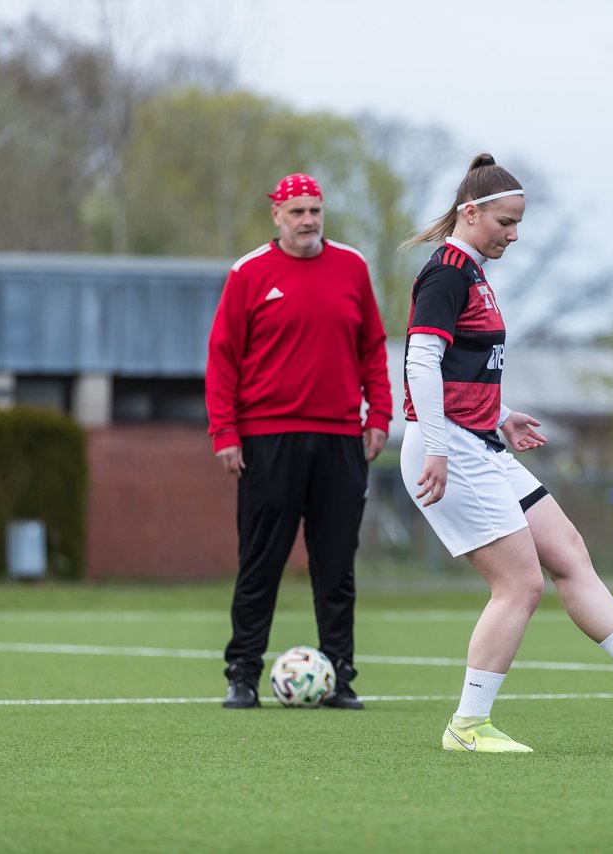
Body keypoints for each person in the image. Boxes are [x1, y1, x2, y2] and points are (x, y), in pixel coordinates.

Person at [397, 153, 613, 753]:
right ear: (470, 213)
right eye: (505, 222)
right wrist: (440, 448)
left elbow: (458, 368)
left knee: (569, 552)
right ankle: (467, 727)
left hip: (478, 441)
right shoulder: (446, 272)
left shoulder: (473, 274)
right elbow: (420, 361)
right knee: (520, 585)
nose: (514, 234)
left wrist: (500, 415)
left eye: (519, 222)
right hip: (449, 446)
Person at [206, 172, 392, 711]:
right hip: (267, 439)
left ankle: (341, 676)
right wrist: (225, 430)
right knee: (259, 563)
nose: (308, 220)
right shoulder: (249, 273)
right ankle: (242, 674)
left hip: (340, 440)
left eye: (315, 210)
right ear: (277, 216)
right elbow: (222, 357)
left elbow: (372, 347)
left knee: (336, 567)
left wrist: (378, 412)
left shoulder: (352, 266)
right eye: (297, 212)